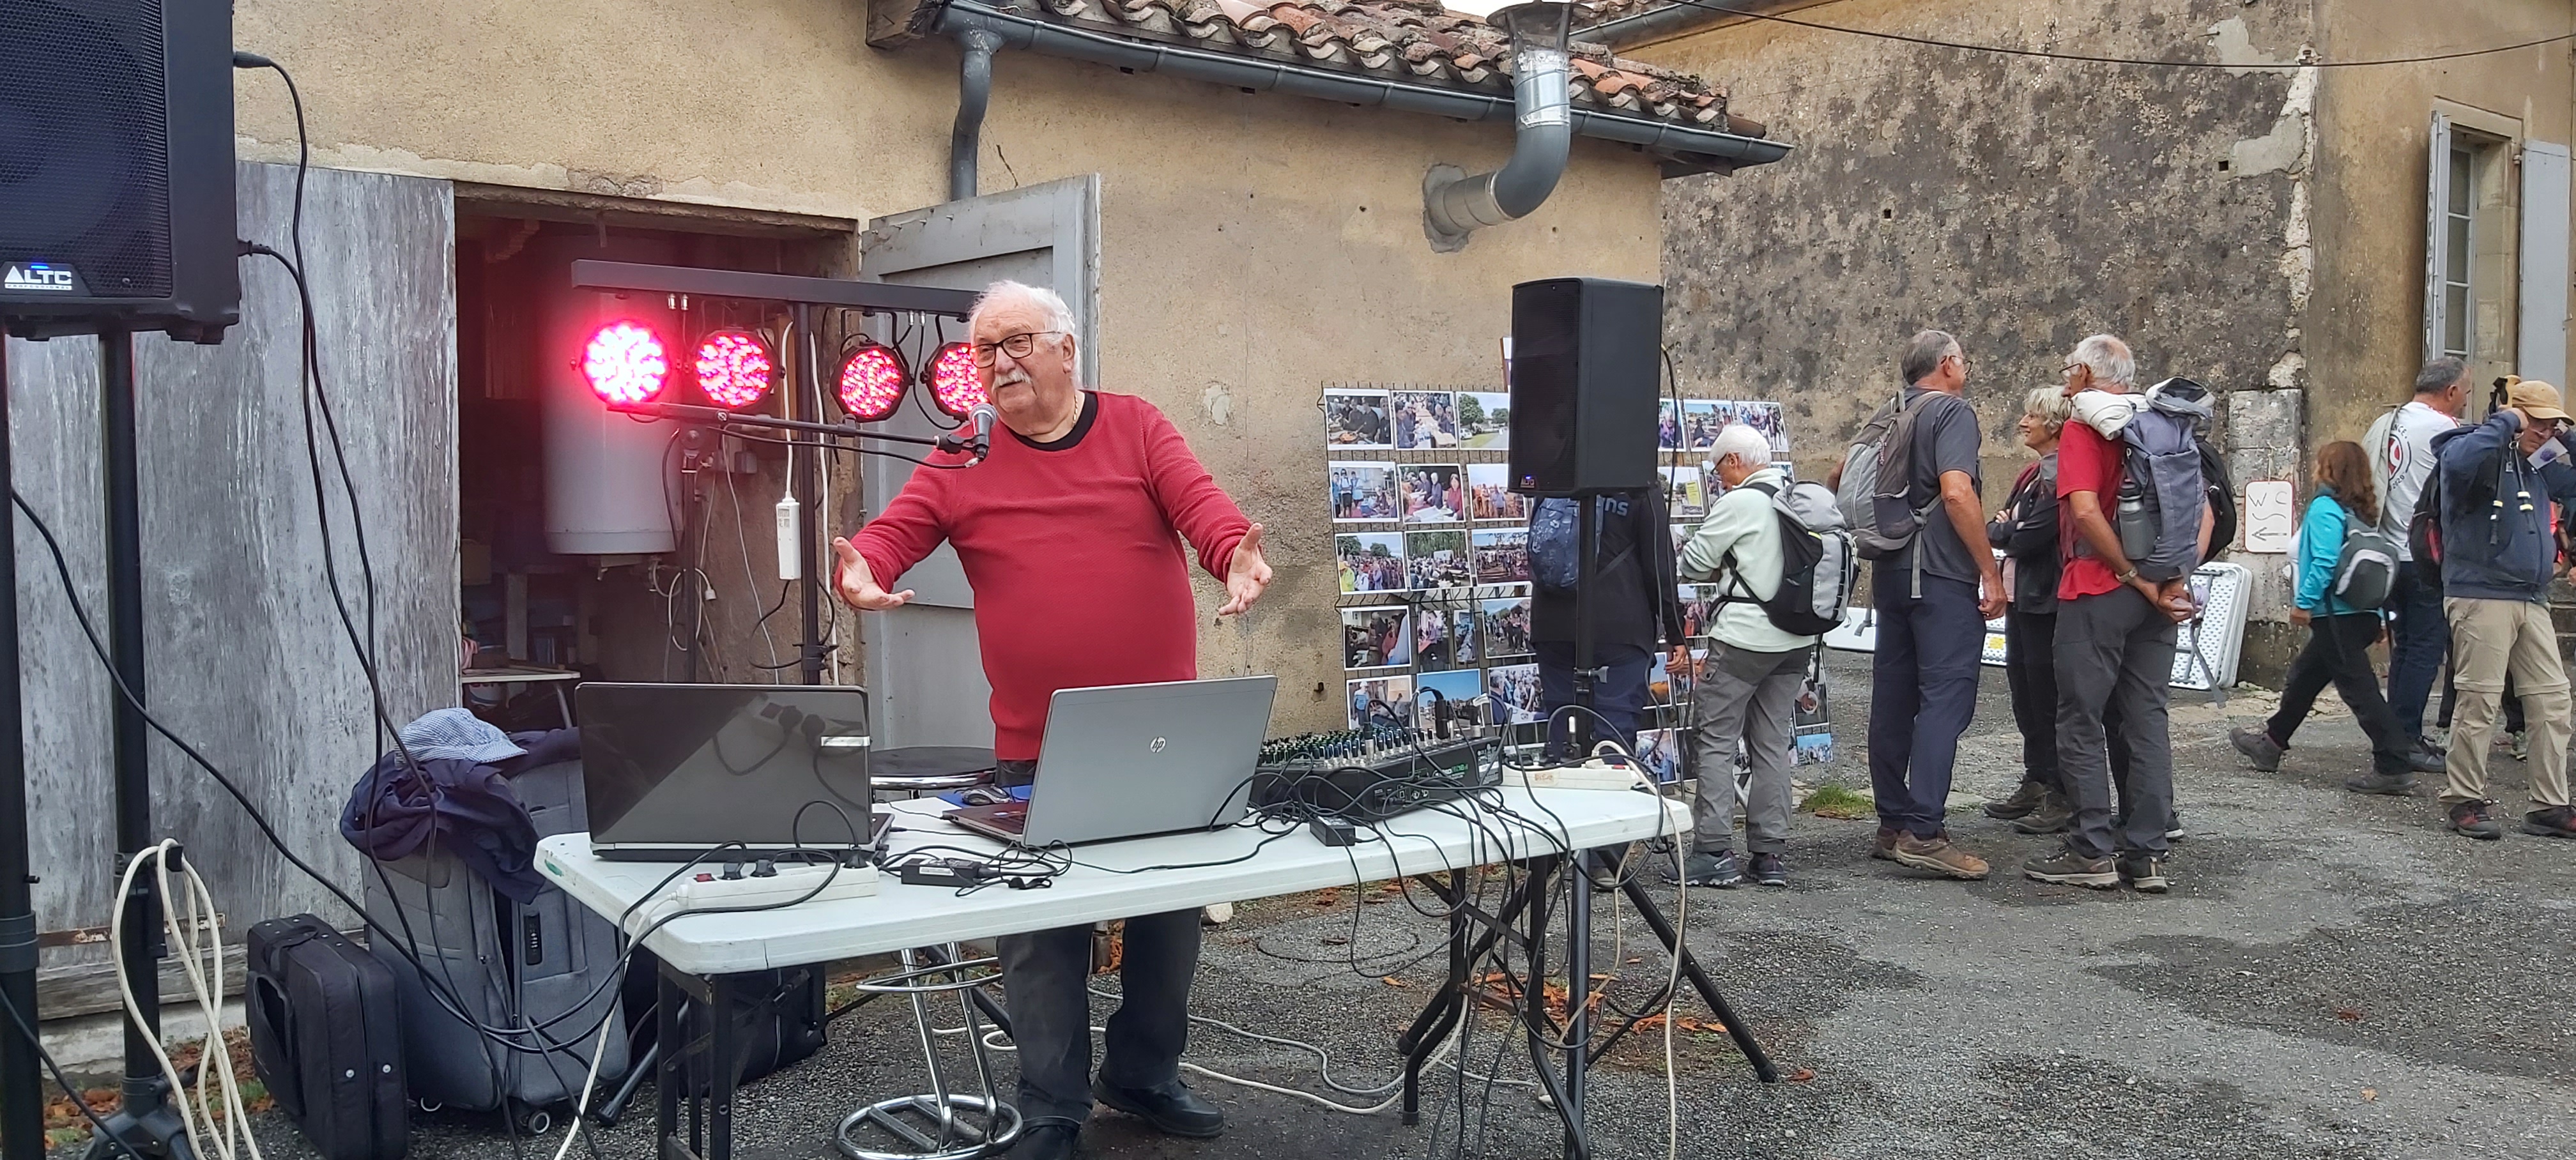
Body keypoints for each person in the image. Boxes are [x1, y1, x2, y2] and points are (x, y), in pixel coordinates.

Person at [832, 280, 1272, 1160]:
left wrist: (1235, 554)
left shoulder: (1136, 426)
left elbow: (1204, 510)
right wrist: (862, 570)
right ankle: (1051, 1108)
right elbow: (891, 535)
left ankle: (1143, 1074)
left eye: (1017, 342)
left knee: (1169, 918)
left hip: (1159, 738)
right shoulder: (962, 454)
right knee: (1041, 935)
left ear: (1067, 350)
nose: (999, 363)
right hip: (1036, 749)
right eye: (984, 349)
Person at [2022, 335, 2203, 894]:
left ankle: (2091, 850)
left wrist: (2129, 574)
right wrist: (2171, 580)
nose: (2065, 379)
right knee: (2146, 719)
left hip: (2097, 588)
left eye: (2068, 369)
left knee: (2081, 718)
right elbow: (2203, 509)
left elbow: (2083, 510)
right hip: (2159, 590)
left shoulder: (2084, 428)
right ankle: (2146, 853)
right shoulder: (2164, 425)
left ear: (2083, 373)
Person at [1863, 330, 2007, 880]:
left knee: (1893, 699)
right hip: (1940, 574)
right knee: (1945, 698)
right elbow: (1956, 492)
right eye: (1963, 359)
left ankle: (1892, 824)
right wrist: (1989, 571)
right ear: (1947, 364)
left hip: (1891, 572)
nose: (1965, 368)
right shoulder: (1951, 412)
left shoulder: (1888, 413)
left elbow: (1840, 477)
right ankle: (1924, 831)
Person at [2426, 379, 2576, 841]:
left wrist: (2567, 437)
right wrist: (2507, 421)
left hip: (2530, 597)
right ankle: (2463, 798)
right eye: (2539, 423)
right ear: (2517, 417)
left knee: (2552, 701)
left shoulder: (2537, 463)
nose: (2545, 432)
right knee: (2479, 700)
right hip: (2481, 594)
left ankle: (2549, 805)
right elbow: (2456, 463)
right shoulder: (2475, 450)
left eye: (2552, 425)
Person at [1674, 424, 1823, 888]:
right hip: (1797, 639)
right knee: (1771, 742)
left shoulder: (1740, 502)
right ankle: (1769, 854)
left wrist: (1726, 563)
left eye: (1718, 467)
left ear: (1734, 461)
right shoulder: (1802, 497)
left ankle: (1713, 851)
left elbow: (1692, 563)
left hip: (1743, 639)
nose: (1718, 477)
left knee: (1716, 740)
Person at [2227, 442, 2419, 791]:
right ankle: (2271, 743)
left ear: (2328, 469)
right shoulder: (2358, 512)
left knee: (2360, 693)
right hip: (2359, 615)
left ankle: (2393, 764)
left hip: (2335, 617)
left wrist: (2304, 603)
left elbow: (2326, 562)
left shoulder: (2325, 508)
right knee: (2304, 678)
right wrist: (2378, 617)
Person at [2364, 356, 2471, 763]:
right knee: (2424, 651)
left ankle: (2397, 733)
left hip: (2390, 551)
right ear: (2451, 391)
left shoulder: (2389, 421)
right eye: (2465, 392)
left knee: (2405, 648)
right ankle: (2406, 737)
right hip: (2424, 555)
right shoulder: (2444, 429)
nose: (2466, 400)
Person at [1531, 484, 1683, 757]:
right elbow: (1659, 566)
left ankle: (1561, 774)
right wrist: (1675, 631)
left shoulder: (1556, 474)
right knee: (1614, 740)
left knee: (1561, 733)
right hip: (1619, 625)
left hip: (1552, 624)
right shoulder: (1639, 484)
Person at [1984, 388, 2072, 828]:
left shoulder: (2059, 476)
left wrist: (2007, 528)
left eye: (2033, 415)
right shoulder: (2031, 475)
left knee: (2047, 696)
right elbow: (1997, 525)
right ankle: (2037, 778)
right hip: (2023, 598)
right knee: (2024, 694)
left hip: (2047, 601)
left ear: (2054, 424)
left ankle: (2062, 792)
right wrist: (2007, 528)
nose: (2023, 422)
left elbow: (2031, 535)